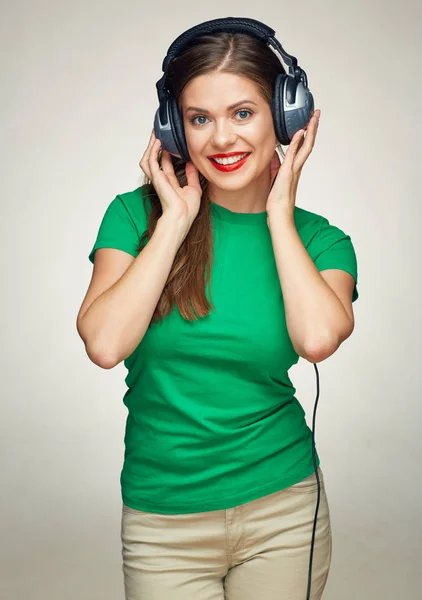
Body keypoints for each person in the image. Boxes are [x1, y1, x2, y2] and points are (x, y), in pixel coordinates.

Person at [76, 24, 358, 600]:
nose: (221, 138)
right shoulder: (134, 220)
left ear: (284, 117)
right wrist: (175, 221)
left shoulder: (323, 243)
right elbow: (104, 345)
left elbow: (317, 339)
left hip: (283, 510)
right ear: (173, 128)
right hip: (164, 523)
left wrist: (280, 213)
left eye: (243, 113)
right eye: (199, 118)